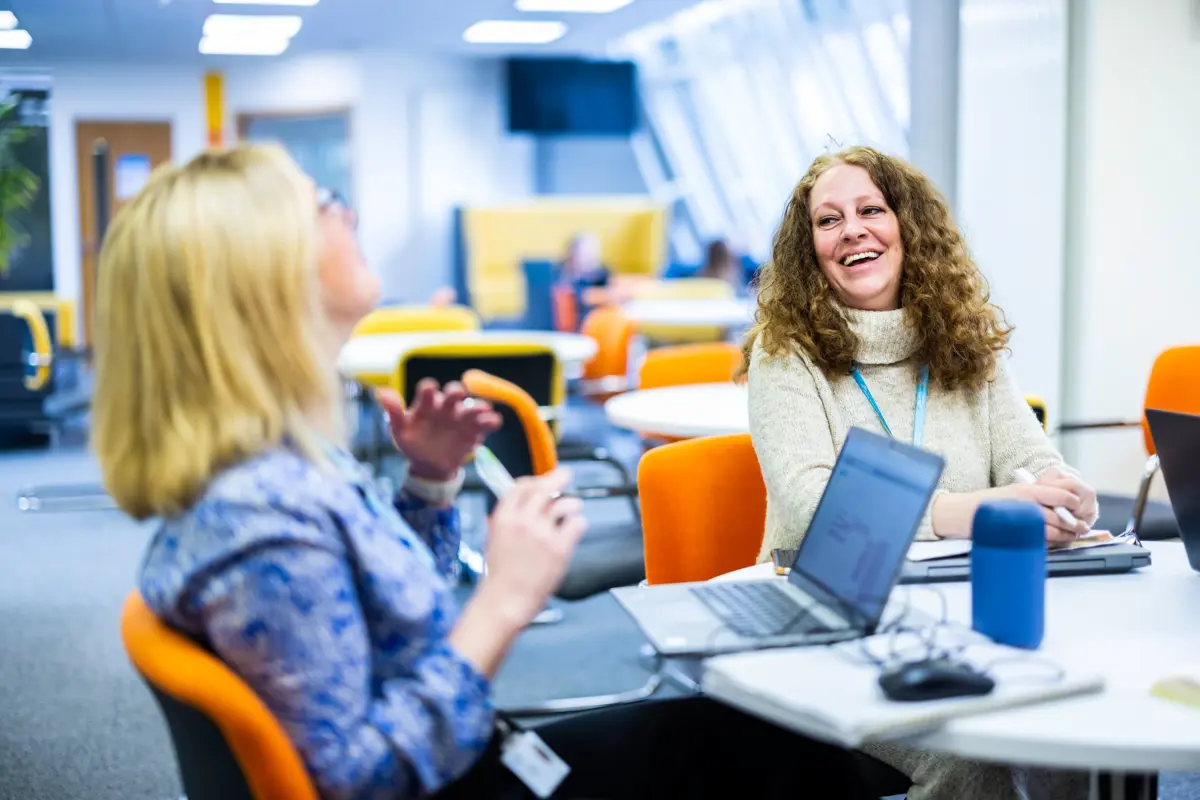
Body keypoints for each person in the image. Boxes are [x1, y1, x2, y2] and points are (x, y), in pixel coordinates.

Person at [93, 144, 874, 800]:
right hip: (459, 778)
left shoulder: (283, 471)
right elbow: (359, 783)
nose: (349, 215)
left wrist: (430, 485)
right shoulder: (262, 519)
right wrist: (503, 598)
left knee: (765, 735)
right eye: (323, 204)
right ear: (259, 274)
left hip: (473, 759)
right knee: (785, 751)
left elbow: (379, 621)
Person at [740, 144, 1093, 799]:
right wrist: (984, 510)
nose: (853, 230)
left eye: (871, 210)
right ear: (808, 249)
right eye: (829, 220)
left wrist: (1060, 491)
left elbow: (1031, 456)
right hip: (830, 623)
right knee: (970, 753)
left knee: (1067, 721)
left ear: (908, 225)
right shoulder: (784, 353)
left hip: (965, 612)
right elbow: (814, 507)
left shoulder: (964, 336)